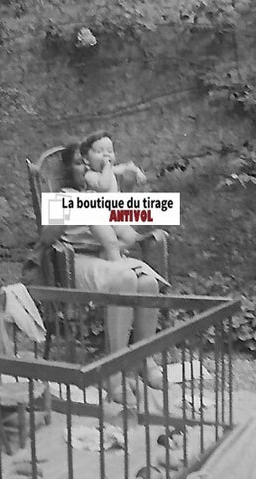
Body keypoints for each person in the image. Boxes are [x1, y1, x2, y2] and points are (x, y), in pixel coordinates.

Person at [44, 142, 166, 410]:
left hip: (108, 257)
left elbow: (127, 234)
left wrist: (133, 203)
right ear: (68, 169)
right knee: (124, 279)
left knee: (147, 281)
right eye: (78, 163)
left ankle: (145, 359)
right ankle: (113, 372)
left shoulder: (103, 192)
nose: (86, 167)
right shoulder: (64, 195)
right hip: (76, 260)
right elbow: (47, 239)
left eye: (88, 161)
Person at [77, 131, 149, 259]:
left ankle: (108, 253)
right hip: (101, 220)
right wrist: (107, 167)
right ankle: (109, 253)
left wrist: (137, 172)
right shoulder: (90, 175)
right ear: (87, 159)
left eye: (109, 151)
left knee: (131, 236)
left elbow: (127, 167)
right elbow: (103, 186)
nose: (106, 155)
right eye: (99, 152)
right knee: (121, 238)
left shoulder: (110, 170)